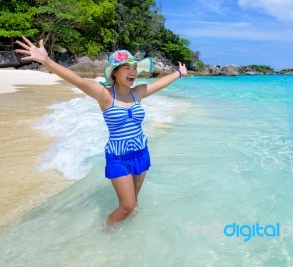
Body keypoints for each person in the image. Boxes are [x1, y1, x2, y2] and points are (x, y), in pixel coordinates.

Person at [15, 36, 187, 226]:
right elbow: (77, 80)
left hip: (141, 153)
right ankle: (106, 232)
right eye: (127, 68)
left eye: (135, 68)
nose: (133, 72)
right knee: (126, 206)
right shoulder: (105, 95)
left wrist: (179, 73)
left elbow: (161, 84)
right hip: (118, 156)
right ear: (115, 72)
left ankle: (130, 240)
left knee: (134, 203)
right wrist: (47, 61)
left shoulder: (136, 92)